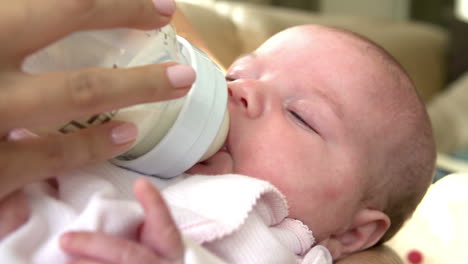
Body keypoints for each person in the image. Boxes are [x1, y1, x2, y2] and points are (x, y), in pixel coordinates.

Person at [0, 0, 433, 263]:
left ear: (352, 234)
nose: (242, 90)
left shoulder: (279, 243)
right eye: (237, 75)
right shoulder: (126, 131)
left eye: (301, 115)